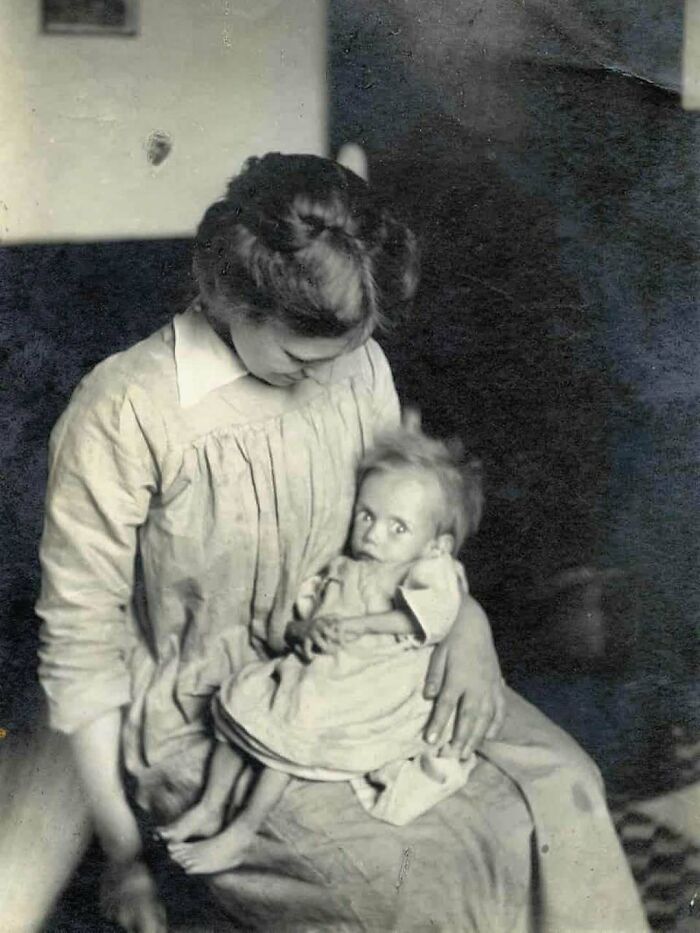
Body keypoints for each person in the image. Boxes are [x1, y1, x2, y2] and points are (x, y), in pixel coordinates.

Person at [35, 152, 647, 932]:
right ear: (228, 294)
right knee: (424, 890)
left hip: (379, 657)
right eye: (300, 359)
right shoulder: (124, 412)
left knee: (566, 787)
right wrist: (124, 855)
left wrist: (467, 623)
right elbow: (80, 653)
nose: (327, 374)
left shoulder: (355, 367)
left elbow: (412, 517)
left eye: (345, 351)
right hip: (213, 717)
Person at [161, 424, 484, 874]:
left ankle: (242, 831)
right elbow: (294, 624)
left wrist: (356, 626)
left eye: (398, 528)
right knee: (244, 705)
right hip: (319, 668)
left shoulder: (427, 570)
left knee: (300, 720)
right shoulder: (342, 568)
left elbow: (428, 620)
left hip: (367, 681)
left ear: (435, 544)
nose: (373, 535)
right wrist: (306, 630)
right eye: (366, 516)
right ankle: (210, 806)